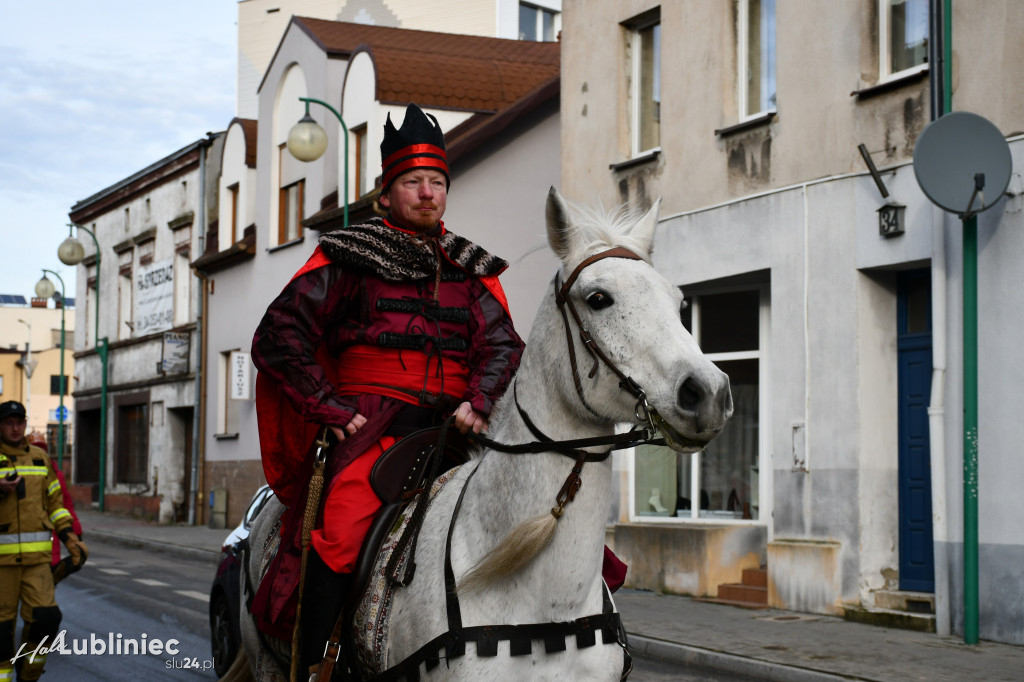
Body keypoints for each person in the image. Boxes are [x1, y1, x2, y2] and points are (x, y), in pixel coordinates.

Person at [251, 103, 525, 676]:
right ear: (387, 192)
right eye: (413, 182)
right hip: (373, 430)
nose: (427, 194)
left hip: (459, 428)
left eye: (437, 182)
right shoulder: (348, 256)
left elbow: (503, 345)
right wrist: (327, 405)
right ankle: (316, 666)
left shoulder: (472, 267)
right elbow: (280, 335)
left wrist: (480, 399)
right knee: (340, 532)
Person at [0, 401, 87, 681]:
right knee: (1, 632)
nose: (15, 428)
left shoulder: (40, 458)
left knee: (48, 620)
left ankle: (29, 673)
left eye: (19, 422)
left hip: (36, 563)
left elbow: (56, 504)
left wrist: (69, 537)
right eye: (9, 422)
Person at [25, 432, 84, 582]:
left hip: (49, 541)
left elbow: (65, 504)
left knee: (45, 591)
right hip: (26, 542)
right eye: (35, 448)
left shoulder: (55, 473)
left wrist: (76, 532)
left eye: (42, 448)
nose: (39, 452)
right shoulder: (21, 471)